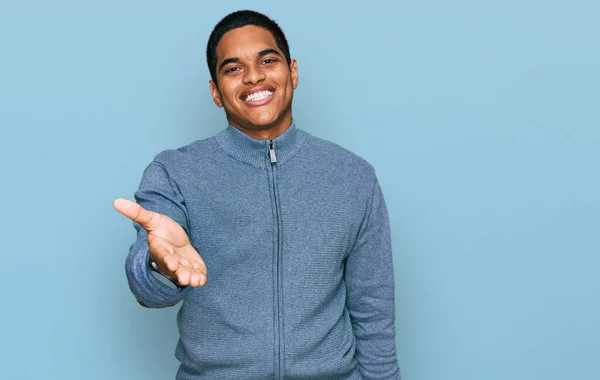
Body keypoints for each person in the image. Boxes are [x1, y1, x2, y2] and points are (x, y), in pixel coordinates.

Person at [114, 9, 401, 379]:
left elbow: (373, 310)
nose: (253, 76)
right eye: (233, 68)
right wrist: (163, 269)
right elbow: (147, 288)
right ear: (216, 92)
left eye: (267, 60)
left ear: (292, 72)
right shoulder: (174, 172)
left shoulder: (353, 177)